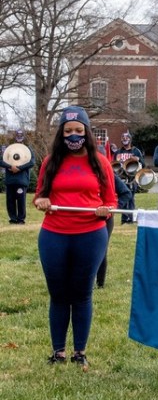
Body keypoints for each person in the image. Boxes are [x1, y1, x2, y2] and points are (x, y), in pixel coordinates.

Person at [32, 106, 117, 368]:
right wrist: (42, 200)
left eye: (78, 130)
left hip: (90, 235)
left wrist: (105, 210)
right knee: (58, 295)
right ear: (61, 133)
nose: (73, 135)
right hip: (54, 235)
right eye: (68, 131)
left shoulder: (100, 161)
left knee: (81, 294)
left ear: (86, 132)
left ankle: (80, 352)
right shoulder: (51, 161)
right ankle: (58, 352)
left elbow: (111, 199)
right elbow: (38, 195)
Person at [96, 165, 134, 289]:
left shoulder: (106, 172)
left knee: (101, 250)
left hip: (105, 219)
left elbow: (126, 193)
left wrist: (113, 208)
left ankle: (100, 283)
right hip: (83, 218)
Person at [1, 129, 36, 224]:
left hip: (21, 180)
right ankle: (12, 219)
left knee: (21, 201)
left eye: (21, 135)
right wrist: (10, 166)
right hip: (10, 180)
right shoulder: (8, 149)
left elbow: (32, 162)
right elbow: (1, 160)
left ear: (23, 137)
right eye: (17, 135)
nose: (19, 137)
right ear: (15, 136)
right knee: (10, 201)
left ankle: (21, 220)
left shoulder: (28, 149)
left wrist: (19, 168)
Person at [111, 130, 143, 224]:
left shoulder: (136, 151)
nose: (125, 139)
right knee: (124, 196)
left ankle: (131, 218)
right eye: (123, 138)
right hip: (121, 178)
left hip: (132, 178)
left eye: (127, 138)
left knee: (131, 197)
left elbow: (143, 164)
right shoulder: (118, 152)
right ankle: (124, 219)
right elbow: (113, 165)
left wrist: (138, 159)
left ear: (130, 139)